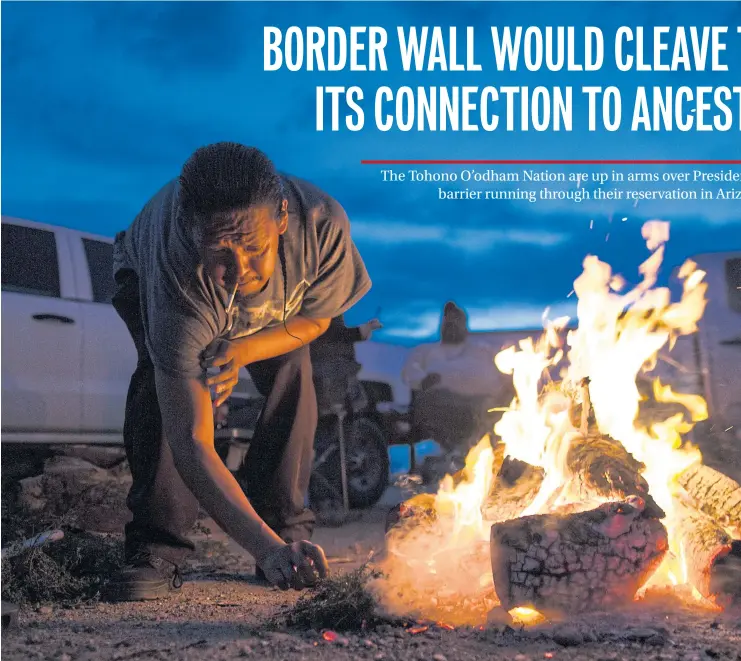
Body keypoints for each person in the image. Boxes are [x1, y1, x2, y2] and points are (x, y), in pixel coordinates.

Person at [104, 142, 371, 601]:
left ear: (282, 218)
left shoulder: (322, 227)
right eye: (221, 253)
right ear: (193, 233)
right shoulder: (178, 281)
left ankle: (284, 527)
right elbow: (193, 440)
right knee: (161, 386)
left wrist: (243, 350)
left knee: (294, 371)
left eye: (254, 248)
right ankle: (157, 546)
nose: (241, 271)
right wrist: (262, 550)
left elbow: (317, 320)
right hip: (148, 278)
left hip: (275, 315)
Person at [401, 302, 512, 467]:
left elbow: (503, 374)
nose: (453, 326)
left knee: (495, 407)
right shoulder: (426, 351)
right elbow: (410, 372)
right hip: (443, 404)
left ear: (464, 325)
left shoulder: (482, 351)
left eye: (457, 322)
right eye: (449, 322)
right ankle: (456, 455)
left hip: (482, 403)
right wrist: (424, 380)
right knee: (439, 403)